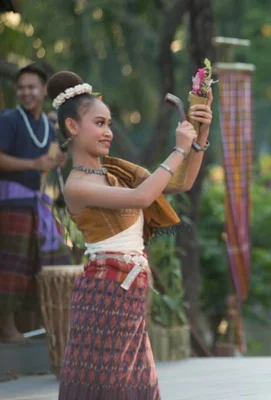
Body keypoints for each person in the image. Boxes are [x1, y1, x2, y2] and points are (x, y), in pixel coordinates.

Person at [46, 71, 212, 399]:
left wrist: (200, 135)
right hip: (104, 290)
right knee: (106, 387)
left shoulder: (115, 171)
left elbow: (180, 183)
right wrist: (178, 150)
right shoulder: (78, 185)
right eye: (99, 123)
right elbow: (142, 198)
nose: (108, 132)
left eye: (108, 123)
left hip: (128, 288)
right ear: (72, 127)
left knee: (136, 388)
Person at [0, 63, 71, 342]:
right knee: (11, 267)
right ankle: (7, 328)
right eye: (21, 88)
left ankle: (52, 324)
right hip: (11, 205)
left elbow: (51, 164)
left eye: (32, 87)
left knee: (55, 262)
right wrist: (34, 163)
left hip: (41, 206)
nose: (26, 92)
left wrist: (57, 161)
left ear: (44, 90)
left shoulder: (49, 125)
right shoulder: (9, 120)